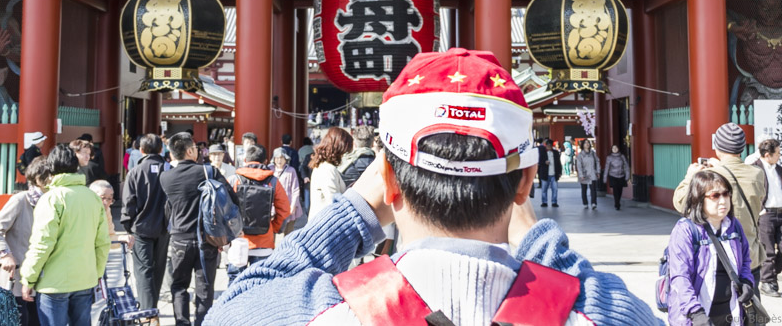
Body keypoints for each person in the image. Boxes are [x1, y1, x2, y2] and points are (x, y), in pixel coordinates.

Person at [205, 48, 661, 326]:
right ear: (526, 181)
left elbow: (239, 300)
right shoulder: (592, 312)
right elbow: (608, 303)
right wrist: (539, 240)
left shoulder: (316, 310)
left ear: (388, 181)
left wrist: (354, 209)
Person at [20, 144, 110, 326]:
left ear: (51, 168)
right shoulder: (92, 197)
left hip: (54, 282)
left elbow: (42, 243)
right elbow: (102, 242)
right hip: (85, 278)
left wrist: (28, 278)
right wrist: (97, 272)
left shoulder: (51, 198)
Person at [674, 122, 766, 293]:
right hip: (750, 257)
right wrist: (720, 166)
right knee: (750, 306)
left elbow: (681, 203)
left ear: (717, 146)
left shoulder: (710, 176)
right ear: (742, 147)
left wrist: (690, 176)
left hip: (720, 260)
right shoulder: (757, 174)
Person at [159, 132, 239, 326]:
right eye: (195, 148)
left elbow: (166, 208)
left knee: (179, 286)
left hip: (179, 238)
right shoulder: (208, 171)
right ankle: (202, 323)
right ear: (189, 151)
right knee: (205, 288)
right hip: (207, 238)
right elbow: (232, 199)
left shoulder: (165, 177)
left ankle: (182, 323)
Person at [668, 170, 754, 326]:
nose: (723, 201)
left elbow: (746, 260)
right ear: (699, 198)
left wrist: (747, 281)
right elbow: (680, 277)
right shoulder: (686, 230)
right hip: (698, 316)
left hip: (731, 312)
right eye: (715, 196)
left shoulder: (734, 225)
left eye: (726, 194)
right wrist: (695, 313)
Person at [0, 156, 51, 326]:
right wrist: (5, 254)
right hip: (16, 274)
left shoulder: (53, 202)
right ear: (39, 177)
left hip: (43, 277)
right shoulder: (21, 199)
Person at [225, 145, 290, 284]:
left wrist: (229, 231)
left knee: (236, 283)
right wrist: (273, 227)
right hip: (264, 241)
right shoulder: (273, 181)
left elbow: (223, 209)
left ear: (245, 159)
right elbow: (284, 209)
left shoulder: (234, 179)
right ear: (266, 161)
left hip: (238, 240)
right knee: (260, 285)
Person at [121, 133, 169, 315]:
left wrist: (128, 225)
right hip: (164, 227)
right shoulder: (169, 170)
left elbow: (129, 203)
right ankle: (152, 307)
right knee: (158, 268)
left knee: (143, 271)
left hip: (141, 228)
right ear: (161, 149)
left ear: (141, 150)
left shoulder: (135, 172)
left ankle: (149, 313)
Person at [752, 138, 782, 297]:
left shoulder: (779, 169)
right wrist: (759, 210)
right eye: (777, 153)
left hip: (781, 212)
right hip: (766, 214)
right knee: (768, 250)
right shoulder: (754, 169)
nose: (779, 155)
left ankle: (770, 274)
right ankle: (768, 282)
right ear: (767, 155)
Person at [307, 127, 352, 218]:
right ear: (339, 149)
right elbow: (334, 201)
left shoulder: (323, 166)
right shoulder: (327, 169)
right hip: (325, 221)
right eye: (345, 152)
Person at [89, 180, 133, 251]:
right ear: (90, 196)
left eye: (109, 199)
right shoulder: (83, 211)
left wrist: (121, 238)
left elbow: (109, 236)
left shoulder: (106, 210)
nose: (106, 203)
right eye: (102, 198)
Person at [269, 148, 303, 236]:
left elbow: (295, 189)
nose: (279, 160)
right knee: (271, 231)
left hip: (288, 204)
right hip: (272, 206)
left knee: (288, 232)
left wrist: (293, 205)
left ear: (286, 158)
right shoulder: (269, 170)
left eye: (281, 158)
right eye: (277, 158)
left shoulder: (291, 170)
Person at [603, 144, 631, 211]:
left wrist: (627, 175)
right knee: (615, 190)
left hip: (621, 175)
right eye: (613, 148)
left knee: (620, 190)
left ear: (618, 149)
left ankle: (618, 201)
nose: (615, 149)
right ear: (611, 149)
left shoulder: (622, 156)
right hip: (613, 175)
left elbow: (626, 166)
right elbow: (607, 168)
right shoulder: (609, 157)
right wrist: (605, 177)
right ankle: (617, 204)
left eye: (616, 148)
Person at [577, 139, 601, 209]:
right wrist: (581, 175)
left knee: (593, 189)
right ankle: (585, 203)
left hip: (592, 172)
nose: (587, 144)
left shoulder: (593, 153)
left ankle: (594, 203)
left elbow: (597, 162)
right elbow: (579, 166)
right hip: (584, 173)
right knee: (584, 189)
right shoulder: (580, 155)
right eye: (585, 143)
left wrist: (598, 171)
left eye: (588, 143)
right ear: (582, 145)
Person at [538, 137, 561, 208]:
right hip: (545, 174)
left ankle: (554, 202)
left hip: (554, 174)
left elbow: (558, 163)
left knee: (555, 189)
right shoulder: (542, 153)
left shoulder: (556, 153)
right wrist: (544, 162)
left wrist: (559, 172)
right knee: (544, 189)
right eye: (547, 145)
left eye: (550, 145)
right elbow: (539, 162)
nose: (549, 146)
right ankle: (544, 202)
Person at [298, 137, 315, 213]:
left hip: (316, 184)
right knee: (307, 206)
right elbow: (304, 167)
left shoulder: (301, 150)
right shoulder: (309, 156)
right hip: (309, 182)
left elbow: (300, 161)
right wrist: (305, 176)